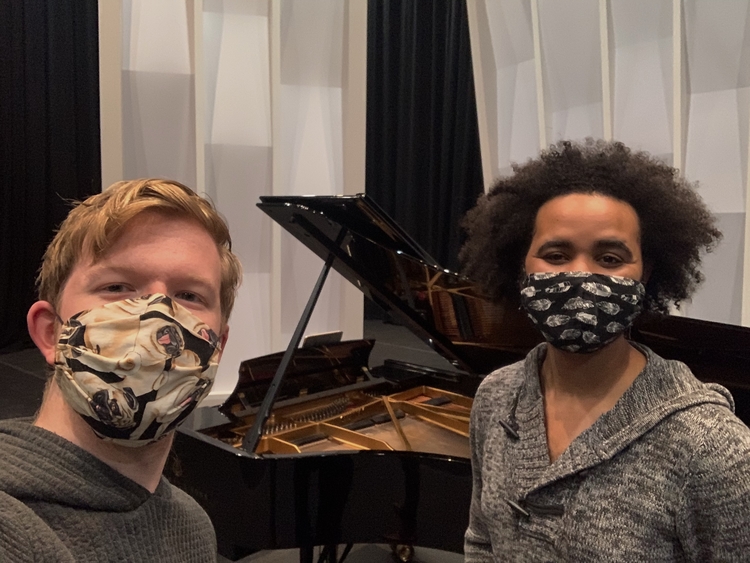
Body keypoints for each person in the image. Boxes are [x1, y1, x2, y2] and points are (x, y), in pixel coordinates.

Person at [460, 140, 750, 561]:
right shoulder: (495, 398)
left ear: (645, 274)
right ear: (521, 265)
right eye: (556, 254)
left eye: (610, 258)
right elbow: (482, 540)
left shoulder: (713, 448)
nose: (580, 275)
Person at [0, 179, 242, 562]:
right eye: (117, 287)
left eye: (188, 296)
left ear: (217, 347)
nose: (157, 315)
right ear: (50, 333)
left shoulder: (191, 526)